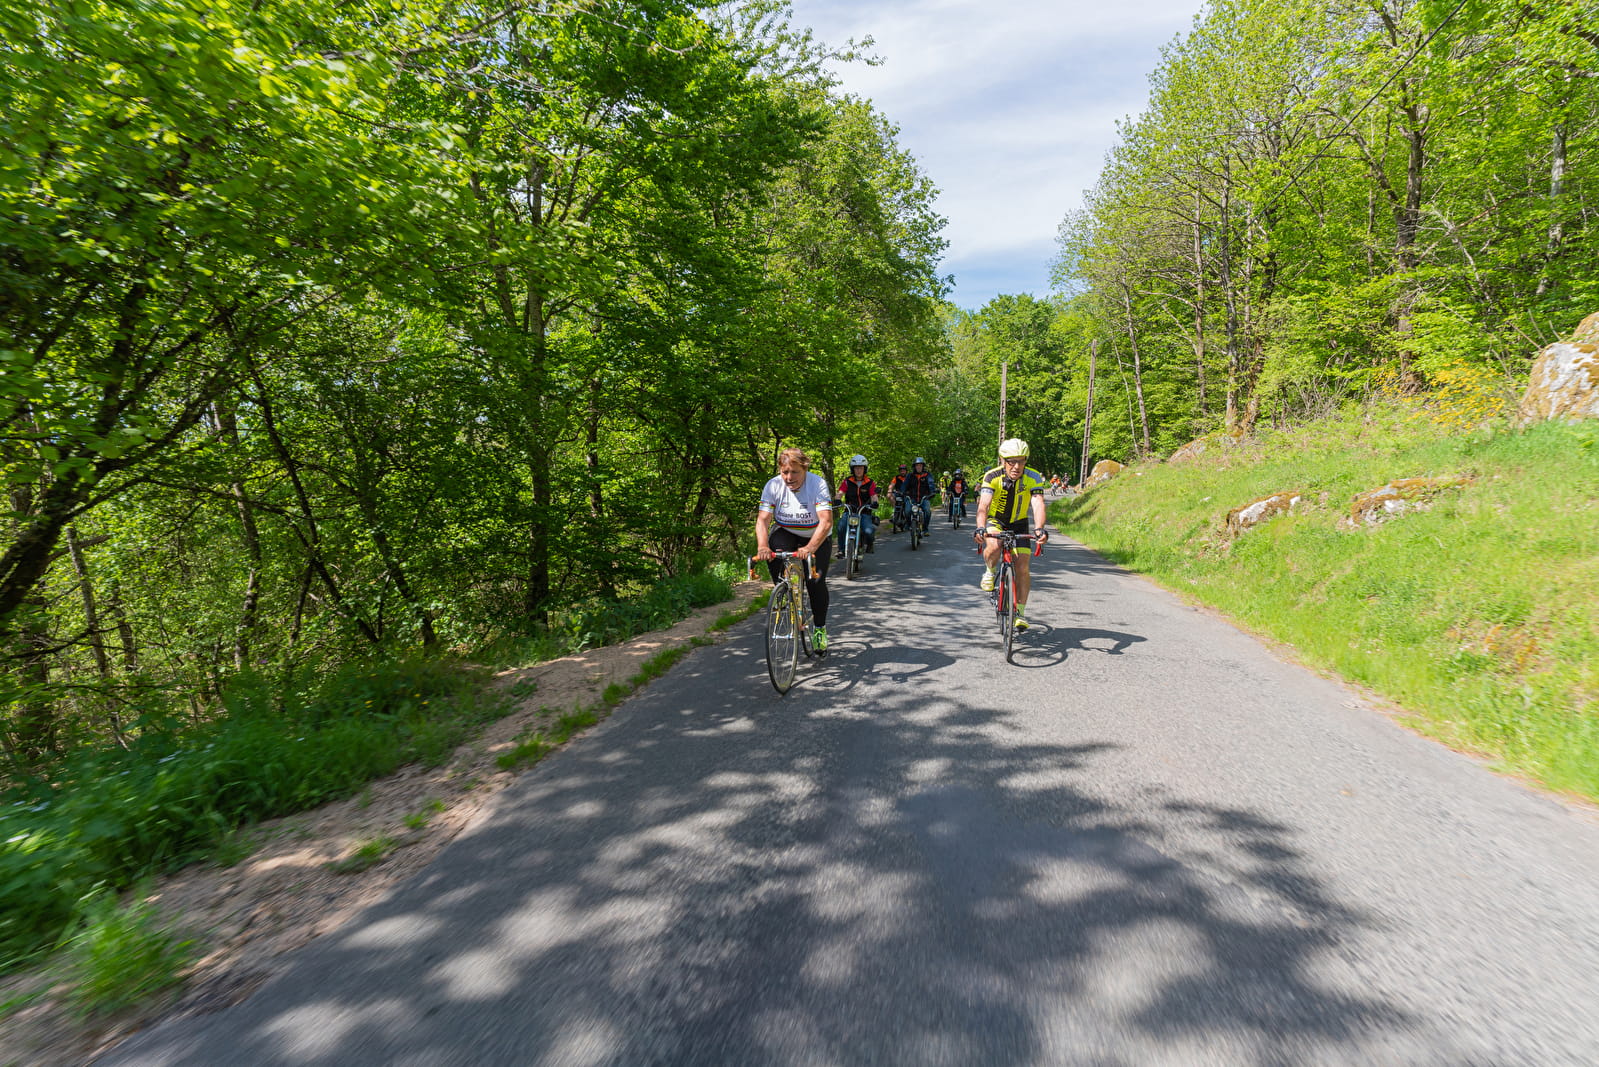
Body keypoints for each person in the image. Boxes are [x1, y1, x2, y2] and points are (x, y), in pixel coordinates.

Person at [756, 447, 834, 651]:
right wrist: (762, 546)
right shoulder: (773, 485)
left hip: (816, 534)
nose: (789, 478)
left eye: (795, 472)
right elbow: (763, 520)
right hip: (786, 530)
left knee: (815, 582)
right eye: (785, 472)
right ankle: (785, 592)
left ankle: (819, 629)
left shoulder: (817, 484)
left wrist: (810, 547)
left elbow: (826, 521)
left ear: (805, 469)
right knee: (774, 554)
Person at [973, 438, 1049, 631]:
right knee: (994, 545)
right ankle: (990, 571)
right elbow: (983, 505)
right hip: (996, 520)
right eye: (1011, 461)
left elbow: (1038, 503)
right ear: (1002, 460)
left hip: (1019, 523)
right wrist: (980, 527)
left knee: (1022, 567)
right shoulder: (992, 476)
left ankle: (1020, 613)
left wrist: (1039, 528)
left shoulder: (1033, 477)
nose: (1016, 466)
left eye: (1021, 461)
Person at [836, 454, 879, 554]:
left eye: (861, 468)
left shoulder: (870, 482)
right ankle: (841, 550)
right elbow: (840, 493)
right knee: (841, 526)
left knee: (869, 531)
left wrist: (875, 502)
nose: (858, 470)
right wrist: (837, 499)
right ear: (852, 469)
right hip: (850, 511)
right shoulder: (847, 481)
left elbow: (874, 495)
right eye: (856, 468)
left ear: (865, 469)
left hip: (864, 512)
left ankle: (870, 544)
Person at [902, 456, 936, 534]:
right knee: (907, 511)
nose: (918, 467)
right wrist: (902, 492)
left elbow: (931, 484)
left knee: (927, 511)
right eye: (917, 465)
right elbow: (904, 485)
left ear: (923, 466)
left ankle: (925, 529)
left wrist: (932, 492)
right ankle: (908, 524)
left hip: (924, 497)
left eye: (920, 465)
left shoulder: (927, 475)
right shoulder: (910, 475)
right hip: (912, 498)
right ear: (914, 466)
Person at [887, 463, 910, 531]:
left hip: (907, 495)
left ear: (906, 471)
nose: (902, 472)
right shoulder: (896, 478)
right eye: (901, 470)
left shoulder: (909, 478)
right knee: (889, 496)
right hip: (898, 494)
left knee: (908, 509)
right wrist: (889, 491)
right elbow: (891, 485)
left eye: (904, 470)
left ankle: (909, 520)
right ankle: (894, 511)